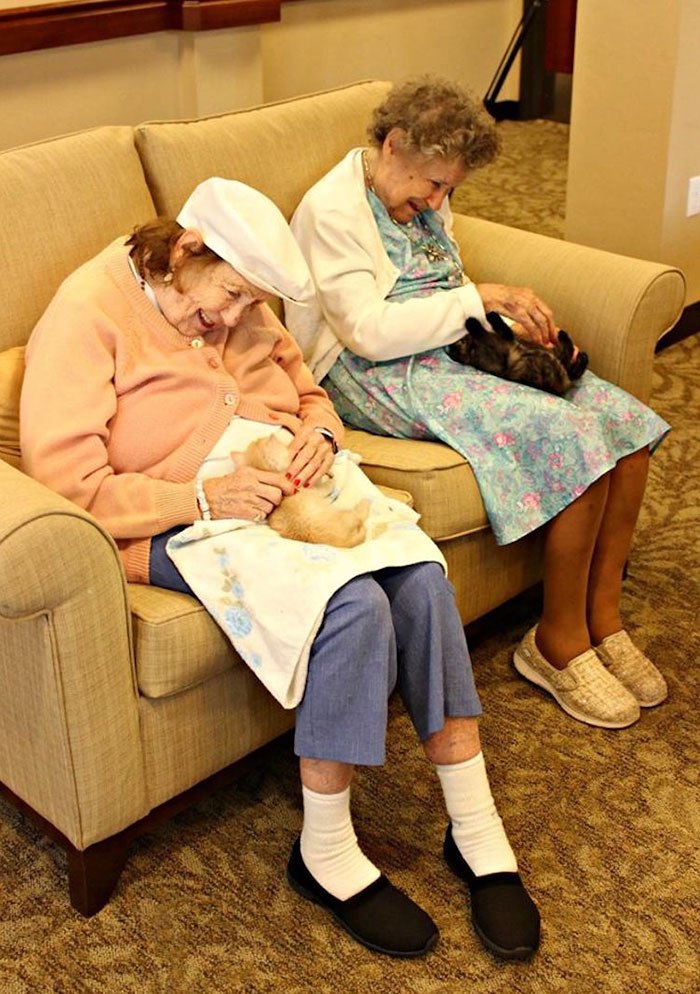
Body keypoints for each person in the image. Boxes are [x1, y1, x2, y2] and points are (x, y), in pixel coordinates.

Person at [20, 177, 540, 960]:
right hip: (176, 518)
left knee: (420, 579)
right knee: (354, 605)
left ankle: (474, 826)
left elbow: (309, 394)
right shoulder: (89, 311)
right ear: (186, 250)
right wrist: (201, 496)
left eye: (252, 302)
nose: (237, 318)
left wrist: (320, 436)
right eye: (230, 295)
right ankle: (323, 853)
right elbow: (67, 484)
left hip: (282, 486)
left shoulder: (239, 303)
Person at [286, 76, 670, 732]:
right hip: (374, 370)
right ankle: (556, 643)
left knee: (625, 425)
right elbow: (369, 332)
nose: (439, 201)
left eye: (449, 190)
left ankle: (602, 619)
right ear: (394, 145)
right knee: (572, 434)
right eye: (434, 185)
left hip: (446, 343)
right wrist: (479, 299)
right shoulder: (333, 212)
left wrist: (509, 329)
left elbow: (446, 279)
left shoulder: (418, 197)